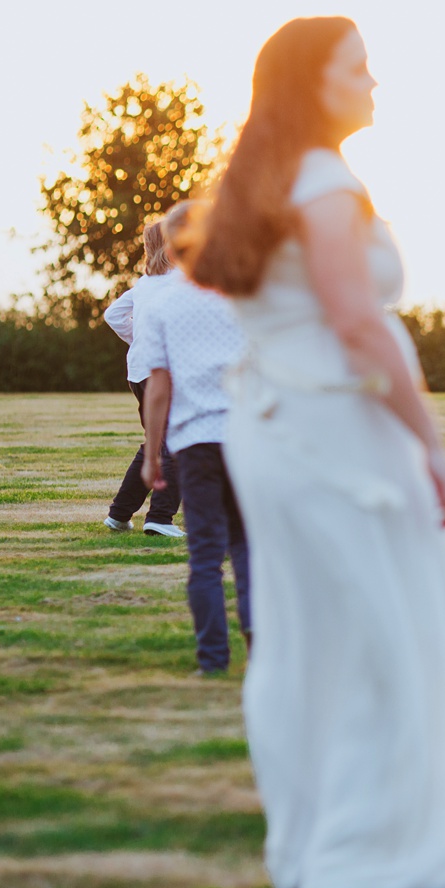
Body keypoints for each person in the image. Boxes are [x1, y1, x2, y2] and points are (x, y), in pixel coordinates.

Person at [170, 17, 445, 888]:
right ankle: (368, 848)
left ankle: (315, 838)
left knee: (311, 632)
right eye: (358, 69)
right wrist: (432, 443)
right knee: (381, 628)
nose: (374, 83)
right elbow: (356, 323)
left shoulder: (262, 178)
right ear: (309, 84)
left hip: (276, 427)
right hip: (334, 425)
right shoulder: (323, 179)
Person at [136, 202, 252, 676]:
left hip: (196, 443)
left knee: (204, 553)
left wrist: (152, 454)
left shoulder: (161, 304)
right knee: (247, 548)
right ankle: (262, 652)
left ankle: (212, 659)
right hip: (248, 438)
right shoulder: (242, 294)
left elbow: (158, 387)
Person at [100, 220, 184, 537]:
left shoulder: (145, 284)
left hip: (137, 372)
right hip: (165, 373)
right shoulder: (183, 281)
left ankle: (119, 514)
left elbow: (112, 315)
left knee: (156, 443)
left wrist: (139, 338)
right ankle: (161, 518)